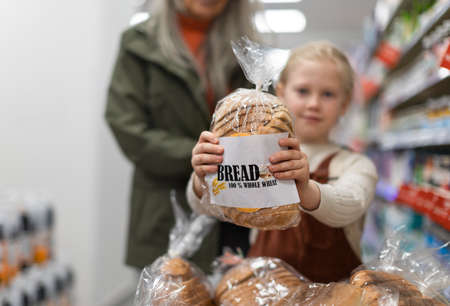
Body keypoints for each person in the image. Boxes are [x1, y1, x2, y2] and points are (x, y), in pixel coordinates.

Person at [187, 41, 378, 282]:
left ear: (344, 104)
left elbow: (350, 206)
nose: (313, 104)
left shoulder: (356, 165)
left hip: (335, 293)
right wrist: (202, 176)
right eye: (303, 91)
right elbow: (205, 207)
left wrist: (306, 190)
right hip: (264, 288)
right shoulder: (253, 153)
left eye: (328, 94)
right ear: (281, 92)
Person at [105, 0, 259, 271]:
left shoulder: (251, 50)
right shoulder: (138, 44)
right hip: (164, 211)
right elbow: (128, 127)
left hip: (235, 215)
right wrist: (198, 155)